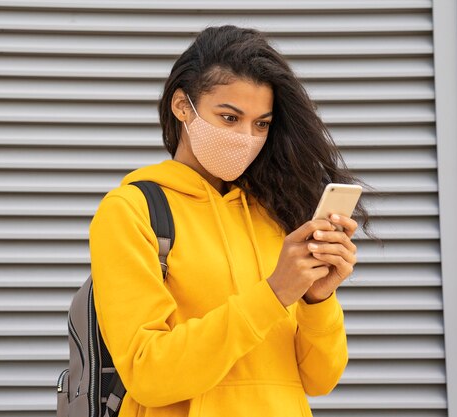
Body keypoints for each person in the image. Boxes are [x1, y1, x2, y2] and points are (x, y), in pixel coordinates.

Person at [89, 25, 373, 417]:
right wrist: (273, 294)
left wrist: (316, 298)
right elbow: (148, 373)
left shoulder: (277, 212)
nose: (246, 137)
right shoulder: (131, 210)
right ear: (182, 106)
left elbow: (319, 379)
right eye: (229, 117)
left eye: (261, 124)